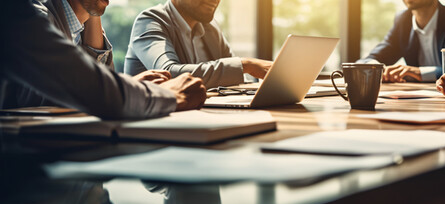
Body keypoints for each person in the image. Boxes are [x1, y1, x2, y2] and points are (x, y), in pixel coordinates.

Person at [1, 0, 206, 120]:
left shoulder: (82, 27)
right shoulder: (29, 15)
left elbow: (93, 82)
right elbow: (84, 88)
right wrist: (165, 95)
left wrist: (128, 86)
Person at [124, 0, 273, 88]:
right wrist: (245, 65)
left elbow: (239, 83)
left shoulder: (211, 29)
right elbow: (168, 72)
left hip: (199, 124)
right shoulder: (150, 21)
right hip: (154, 130)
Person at [358, 0, 445, 83]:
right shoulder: (403, 21)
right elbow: (368, 60)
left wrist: (420, 72)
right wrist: (377, 71)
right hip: (423, 104)